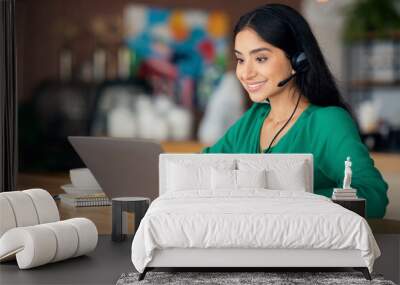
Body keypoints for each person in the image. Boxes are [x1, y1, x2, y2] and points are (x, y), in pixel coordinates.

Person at [201, 3, 388, 218]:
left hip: (301, 250)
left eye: (260, 58)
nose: (245, 72)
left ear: (298, 60)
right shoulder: (255, 117)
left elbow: (373, 197)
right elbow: (200, 168)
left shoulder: (327, 123)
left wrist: (291, 201)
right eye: (241, 59)